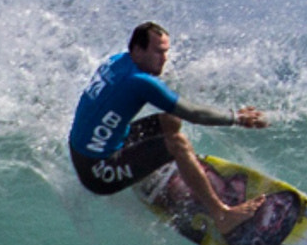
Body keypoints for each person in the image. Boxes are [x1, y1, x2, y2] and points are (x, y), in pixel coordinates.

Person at [68, 22, 267, 233]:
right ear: (137, 49)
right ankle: (222, 214)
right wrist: (236, 118)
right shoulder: (139, 81)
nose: (164, 58)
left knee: (170, 120)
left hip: (88, 147)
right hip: (98, 173)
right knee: (177, 143)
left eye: (166, 52)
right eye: (158, 52)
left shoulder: (117, 61)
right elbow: (194, 114)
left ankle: (152, 168)